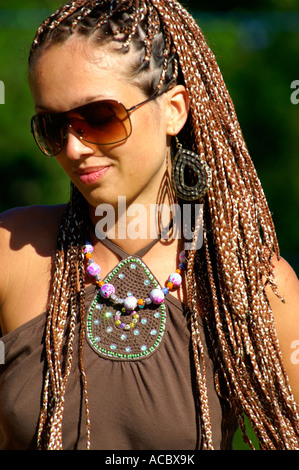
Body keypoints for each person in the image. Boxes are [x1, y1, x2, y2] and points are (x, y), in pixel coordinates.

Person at [0, 0, 298, 451]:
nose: (74, 148)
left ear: (174, 109)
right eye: (53, 126)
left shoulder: (251, 286)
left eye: (99, 117)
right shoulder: (12, 251)